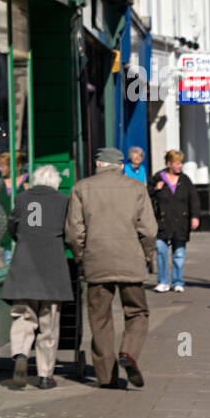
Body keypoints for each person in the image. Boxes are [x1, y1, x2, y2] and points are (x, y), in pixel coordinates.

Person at [65, 146, 157, 390]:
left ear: (97, 165)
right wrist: (146, 255)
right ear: (121, 166)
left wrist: (81, 256)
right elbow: (149, 230)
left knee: (100, 318)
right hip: (130, 259)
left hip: (96, 261)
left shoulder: (81, 188)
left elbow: (74, 232)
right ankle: (129, 352)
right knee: (137, 312)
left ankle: (106, 377)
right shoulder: (137, 188)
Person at [3, 163, 73, 390]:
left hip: (24, 265)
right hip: (52, 269)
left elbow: (12, 226)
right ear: (55, 182)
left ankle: (21, 354)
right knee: (48, 324)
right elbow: (70, 232)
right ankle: (44, 375)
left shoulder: (22, 198)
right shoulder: (62, 201)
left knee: (23, 317)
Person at [148, 149, 200, 292]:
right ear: (169, 163)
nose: (180, 166)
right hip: (162, 222)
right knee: (161, 250)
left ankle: (178, 281)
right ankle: (163, 281)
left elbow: (193, 199)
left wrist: (195, 217)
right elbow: (146, 196)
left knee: (179, 254)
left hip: (180, 222)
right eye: (177, 163)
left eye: (181, 163)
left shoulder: (185, 180)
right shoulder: (157, 178)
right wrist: (155, 190)